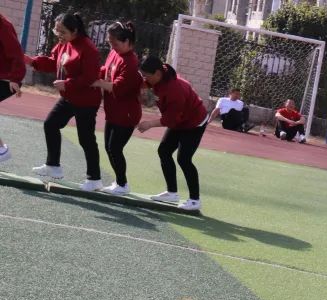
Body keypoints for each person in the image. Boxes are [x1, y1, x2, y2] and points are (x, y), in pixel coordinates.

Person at [25, 12, 102, 189]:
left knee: (86, 139)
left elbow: (90, 77)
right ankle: (53, 166)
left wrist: (67, 84)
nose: (59, 34)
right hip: (69, 98)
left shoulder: (88, 48)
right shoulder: (63, 44)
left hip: (86, 101)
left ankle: (94, 179)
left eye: (63, 31)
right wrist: (32, 61)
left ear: (74, 31)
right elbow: (54, 62)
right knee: (51, 124)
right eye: (56, 30)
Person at [137, 56, 208, 212]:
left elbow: (170, 119)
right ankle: (172, 192)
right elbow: (144, 84)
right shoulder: (158, 77)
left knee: (184, 159)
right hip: (179, 120)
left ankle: (195, 200)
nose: (145, 78)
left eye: (146, 75)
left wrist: (148, 124)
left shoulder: (175, 89)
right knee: (164, 151)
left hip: (194, 122)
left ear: (157, 73)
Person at [90, 22, 141, 195]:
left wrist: (96, 82)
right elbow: (107, 69)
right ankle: (119, 182)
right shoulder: (115, 52)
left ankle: (122, 184)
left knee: (115, 148)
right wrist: (96, 72)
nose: (112, 46)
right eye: (110, 42)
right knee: (109, 147)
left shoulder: (131, 63)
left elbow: (117, 87)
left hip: (126, 114)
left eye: (115, 43)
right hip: (113, 111)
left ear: (127, 42)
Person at [0, 10, 25, 163]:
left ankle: (2, 150)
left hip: (7, 79)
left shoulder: (3, 25)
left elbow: (16, 52)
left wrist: (15, 78)